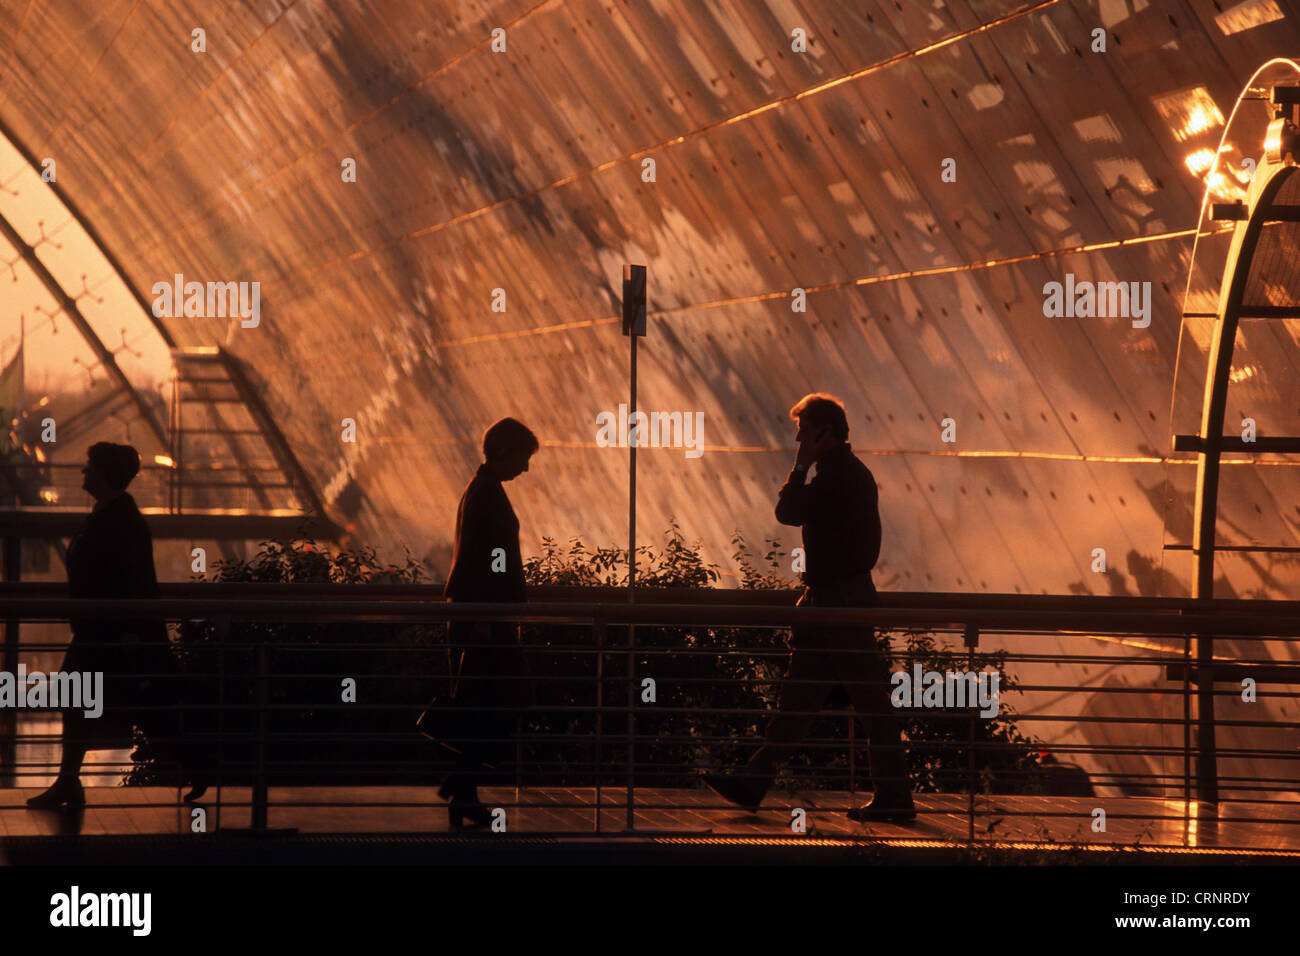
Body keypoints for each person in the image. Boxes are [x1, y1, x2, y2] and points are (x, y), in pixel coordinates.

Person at [704, 393, 915, 822]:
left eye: (804, 432)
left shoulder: (836, 476)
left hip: (838, 603)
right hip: (830, 601)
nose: (799, 440)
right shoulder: (844, 473)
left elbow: (787, 511)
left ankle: (894, 795)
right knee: (801, 700)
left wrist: (800, 466)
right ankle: (753, 781)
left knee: (867, 702)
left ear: (825, 433)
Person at [27, 442, 185, 809]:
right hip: (107, 631)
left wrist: (128, 627)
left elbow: (131, 580)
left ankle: (69, 781)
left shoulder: (114, 520)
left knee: (92, 700)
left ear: (103, 473)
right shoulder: (117, 516)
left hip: (106, 633)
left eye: (89, 466)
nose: (83, 472)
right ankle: (194, 765)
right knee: (130, 704)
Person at [437, 418, 537, 828]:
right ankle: (460, 787)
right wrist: (484, 616)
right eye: (523, 458)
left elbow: (479, 558)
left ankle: (462, 790)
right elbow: (485, 560)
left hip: (484, 617)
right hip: (486, 621)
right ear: (505, 452)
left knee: (480, 706)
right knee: (496, 705)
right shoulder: (486, 495)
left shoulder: (480, 491)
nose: (526, 468)